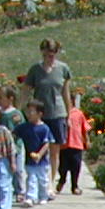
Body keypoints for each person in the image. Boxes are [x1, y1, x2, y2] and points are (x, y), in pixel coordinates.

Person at [22, 38, 71, 183]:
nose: (48, 58)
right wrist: (23, 109)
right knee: (38, 148)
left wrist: (70, 113)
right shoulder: (35, 70)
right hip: (39, 114)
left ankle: (50, 181)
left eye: (51, 55)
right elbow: (26, 90)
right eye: (45, 55)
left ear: (56, 53)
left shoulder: (63, 69)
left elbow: (66, 92)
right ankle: (36, 179)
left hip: (57, 113)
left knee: (55, 150)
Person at [16, 101, 53, 207]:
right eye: (28, 111)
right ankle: (30, 197)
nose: (29, 114)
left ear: (40, 114)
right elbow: (14, 133)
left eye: (31, 111)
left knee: (43, 179)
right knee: (31, 178)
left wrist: (39, 154)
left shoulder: (44, 128)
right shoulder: (24, 127)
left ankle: (43, 196)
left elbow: (47, 143)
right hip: (29, 159)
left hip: (42, 160)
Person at [0, 85, 27, 200]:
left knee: (18, 170)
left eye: (1, 98)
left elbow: (21, 129)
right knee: (5, 170)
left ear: (10, 99)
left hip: (16, 147)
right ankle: (7, 189)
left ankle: (20, 191)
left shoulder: (16, 114)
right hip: (2, 147)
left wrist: (13, 134)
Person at [56, 90, 89, 196]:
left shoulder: (78, 114)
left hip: (77, 145)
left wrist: (87, 140)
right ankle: (62, 180)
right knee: (62, 167)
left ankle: (75, 186)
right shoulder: (61, 114)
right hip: (64, 145)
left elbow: (84, 129)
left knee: (76, 166)